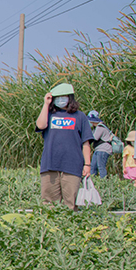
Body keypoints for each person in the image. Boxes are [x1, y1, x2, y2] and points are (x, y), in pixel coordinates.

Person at [34, 82, 93, 210]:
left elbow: (86, 143)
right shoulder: (49, 115)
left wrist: (87, 164)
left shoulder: (80, 116)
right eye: (57, 97)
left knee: (71, 203)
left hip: (72, 165)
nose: (60, 100)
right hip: (50, 165)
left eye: (63, 96)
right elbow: (40, 125)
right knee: (48, 204)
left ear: (69, 98)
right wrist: (46, 104)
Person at [87, 110, 112, 178]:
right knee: (93, 166)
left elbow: (94, 138)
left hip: (103, 149)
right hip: (98, 149)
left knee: (101, 167)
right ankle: (93, 181)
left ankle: (103, 182)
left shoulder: (100, 127)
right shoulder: (96, 128)